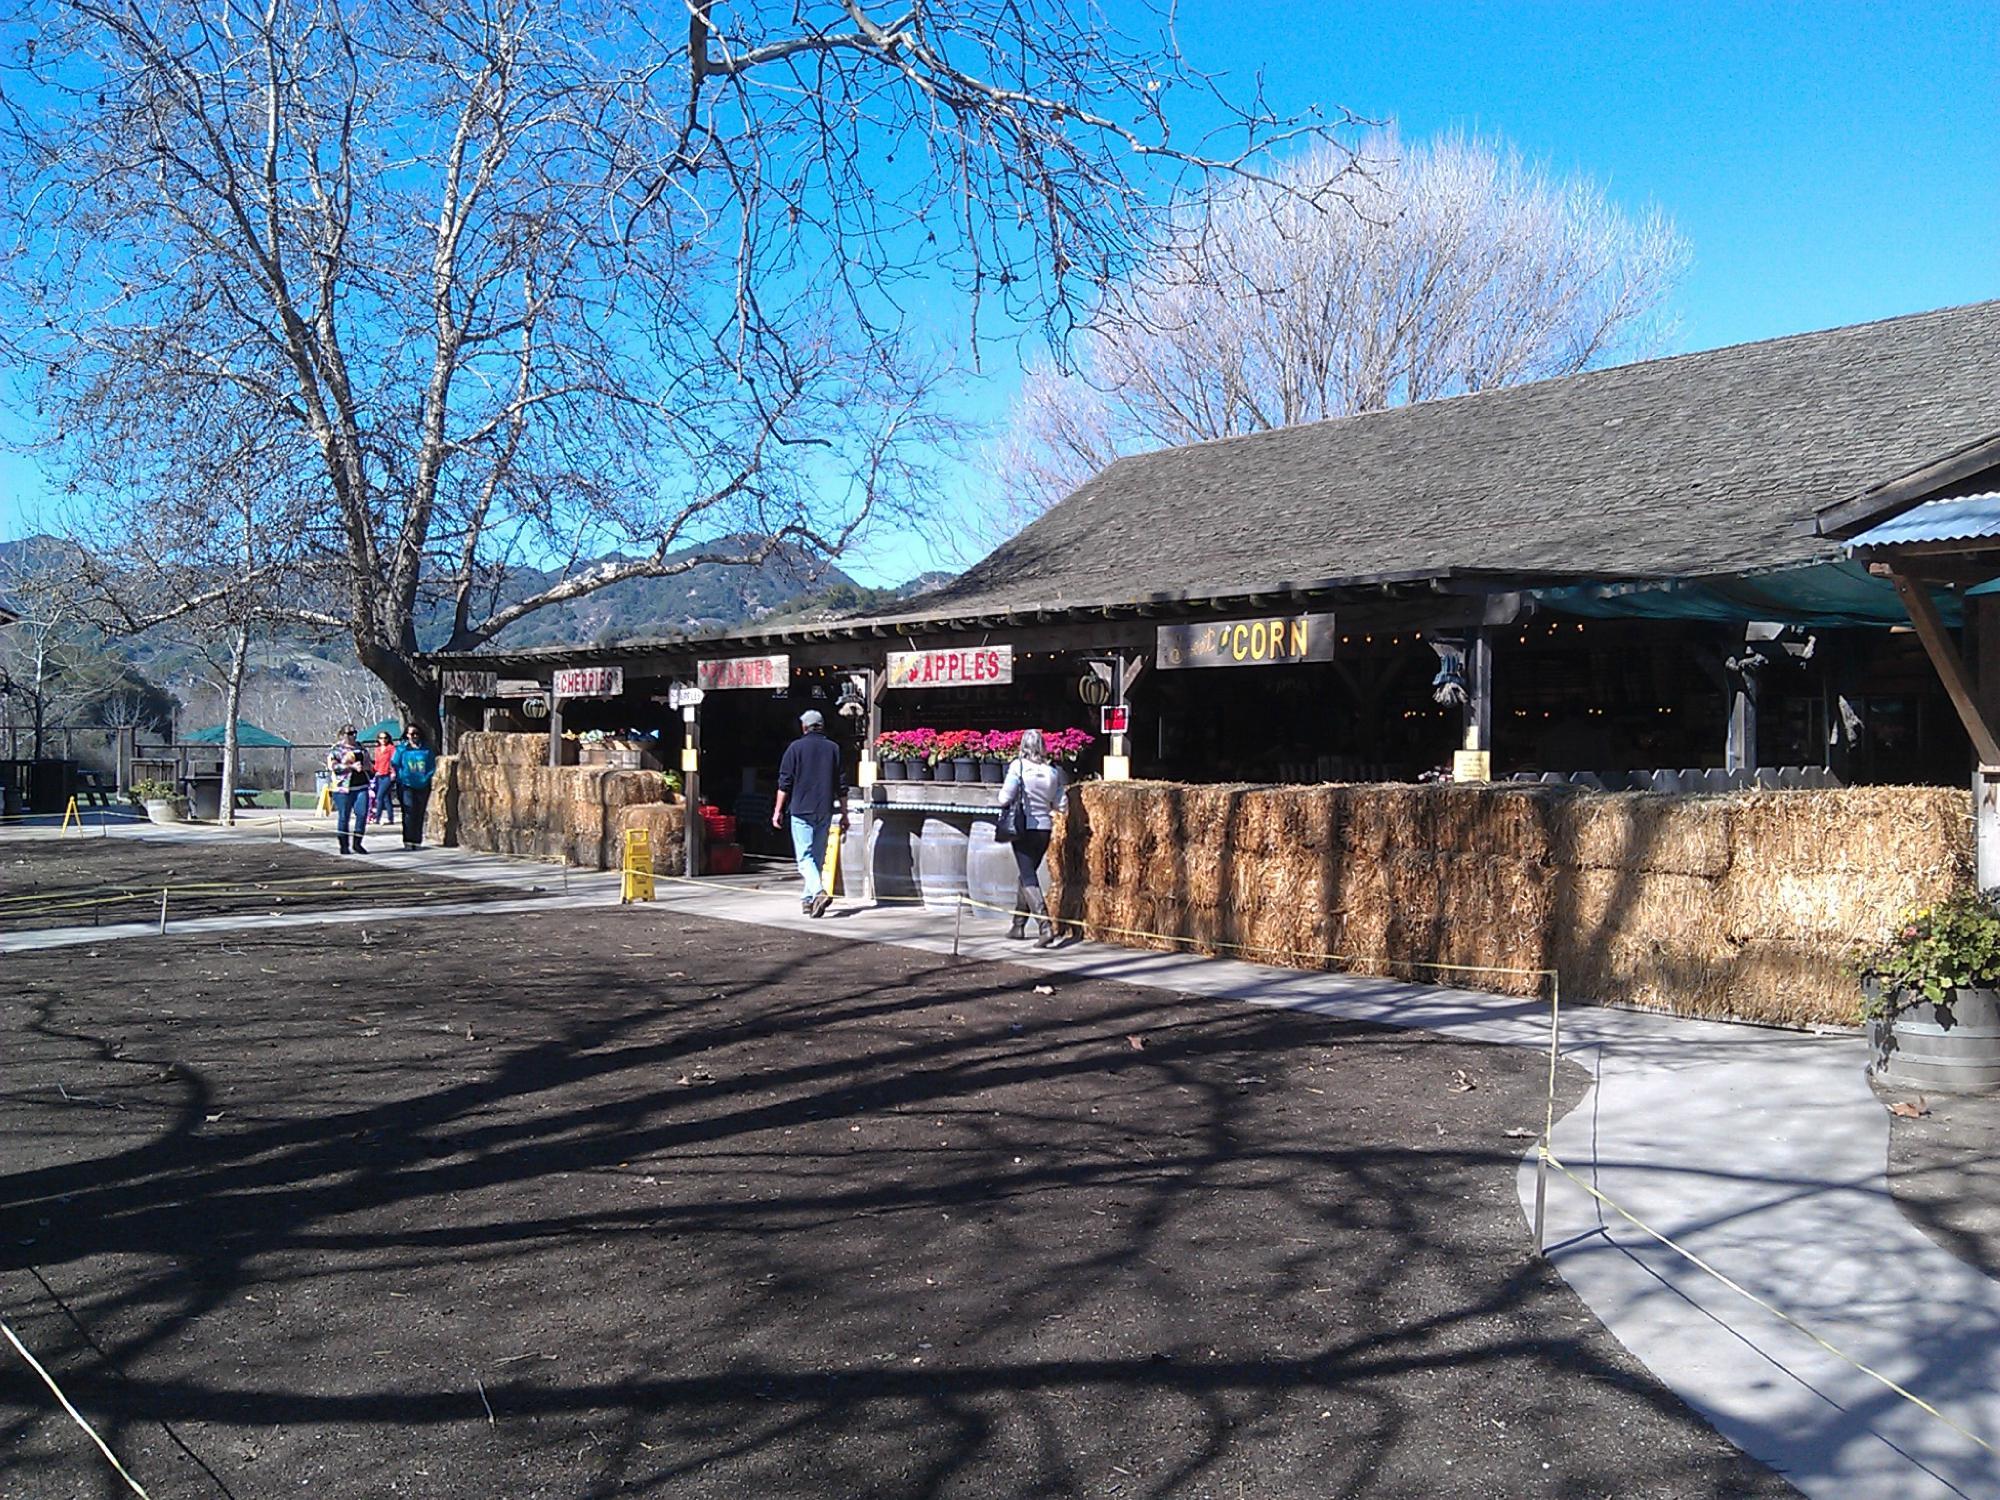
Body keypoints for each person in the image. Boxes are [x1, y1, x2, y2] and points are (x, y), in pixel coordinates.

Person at [1001, 728, 1068, 947]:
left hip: (1023, 828)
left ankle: (1044, 925)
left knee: (1028, 876)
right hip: (1044, 829)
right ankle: (1018, 925)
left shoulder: (1018, 767)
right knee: (1026, 875)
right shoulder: (1052, 772)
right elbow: (1061, 805)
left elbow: (1005, 797)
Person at [772, 708, 841, 917]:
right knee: (817, 857)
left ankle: (818, 893)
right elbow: (842, 783)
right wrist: (844, 812)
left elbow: (784, 783)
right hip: (825, 808)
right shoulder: (833, 748)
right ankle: (808, 899)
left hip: (801, 809)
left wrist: (777, 810)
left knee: (804, 858)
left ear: (804, 727)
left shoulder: (795, 748)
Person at [392, 725, 439, 850]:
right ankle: (408, 840)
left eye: (415, 734)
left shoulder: (426, 750)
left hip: (422, 784)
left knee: (419, 812)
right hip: (406, 784)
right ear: (406, 735)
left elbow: (432, 766)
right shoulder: (402, 749)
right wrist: (401, 777)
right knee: (409, 812)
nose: (413, 736)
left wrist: (426, 777)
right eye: (410, 734)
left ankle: (417, 840)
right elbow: (395, 764)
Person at [326, 725, 371, 854]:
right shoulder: (336, 749)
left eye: (355, 733)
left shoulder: (360, 748)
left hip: (361, 786)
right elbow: (333, 766)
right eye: (350, 733)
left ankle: (357, 843)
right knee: (344, 817)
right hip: (343, 788)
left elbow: (369, 763)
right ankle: (344, 845)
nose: (353, 736)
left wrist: (365, 767)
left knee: (362, 814)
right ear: (343, 735)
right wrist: (350, 766)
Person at [369, 731, 398, 826]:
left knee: (379, 796)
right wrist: (373, 770)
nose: (383, 740)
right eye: (381, 738)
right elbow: (377, 763)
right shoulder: (377, 749)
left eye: (385, 738)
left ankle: (377, 818)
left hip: (388, 775)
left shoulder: (391, 748)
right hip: (379, 775)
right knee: (386, 798)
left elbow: (394, 761)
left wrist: (393, 772)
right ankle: (391, 818)